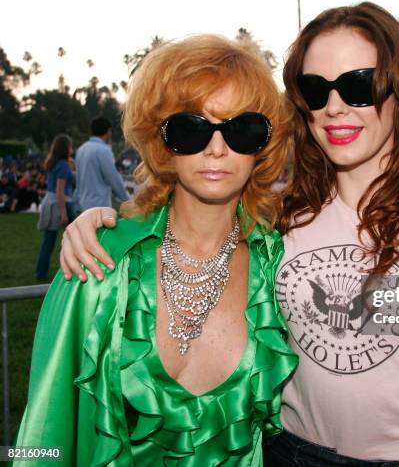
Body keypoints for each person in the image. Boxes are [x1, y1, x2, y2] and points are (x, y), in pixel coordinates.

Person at [58, 3, 399, 467]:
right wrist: (96, 223)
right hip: (282, 453)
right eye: (316, 90)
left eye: (359, 85)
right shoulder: (282, 214)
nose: (335, 106)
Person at [16, 35, 299, 466]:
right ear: (161, 141)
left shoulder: (280, 265)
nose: (217, 148)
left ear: (263, 147)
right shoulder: (100, 263)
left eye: (243, 129)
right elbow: (41, 434)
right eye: (191, 128)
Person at [35, 134, 76, 279]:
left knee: (48, 240)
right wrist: (64, 213)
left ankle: (41, 273)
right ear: (66, 148)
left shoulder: (54, 163)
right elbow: (60, 189)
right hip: (60, 203)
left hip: (50, 201)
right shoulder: (63, 165)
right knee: (74, 238)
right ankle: (73, 269)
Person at [74, 116, 130, 211]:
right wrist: (127, 199)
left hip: (82, 204)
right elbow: (113, 178)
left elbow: (78, 180)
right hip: (98, 205)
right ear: (108, 131)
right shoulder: (104, 150)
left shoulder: (81, 149)